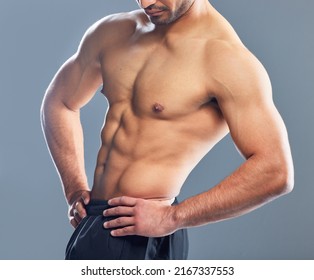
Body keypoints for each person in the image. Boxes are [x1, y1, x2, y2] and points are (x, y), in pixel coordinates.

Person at [41, 0, 294, 260]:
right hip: (99, 224)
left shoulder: (225, 59)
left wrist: (174, 217)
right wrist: (74, 189)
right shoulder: (113, 32)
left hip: (154, 227)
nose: (146, 2)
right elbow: (59, 102)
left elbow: (275, 170)